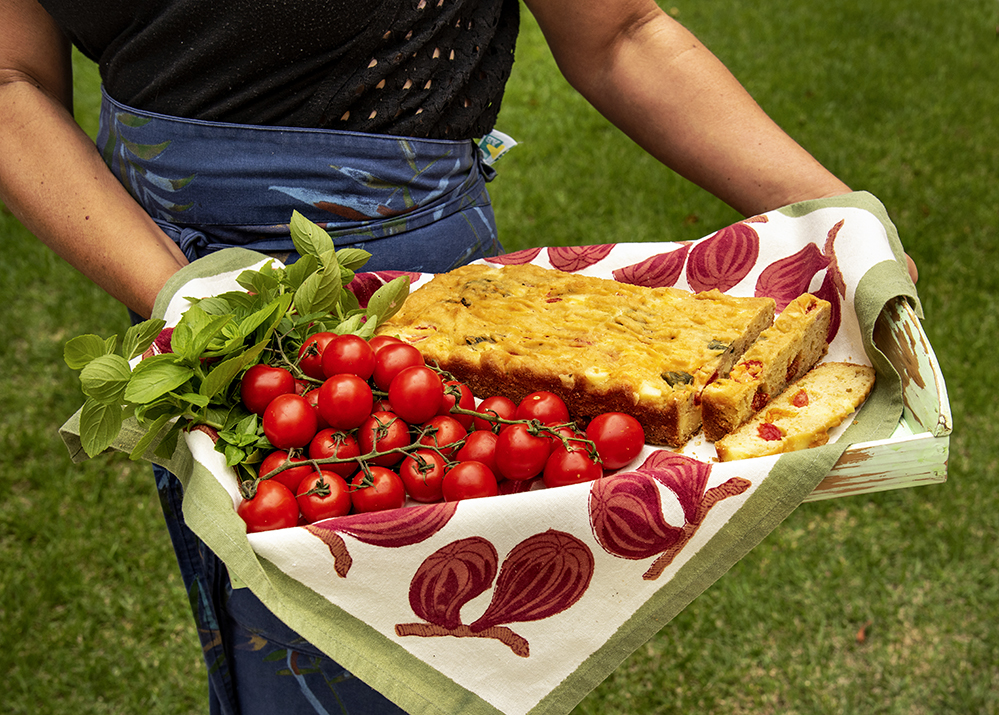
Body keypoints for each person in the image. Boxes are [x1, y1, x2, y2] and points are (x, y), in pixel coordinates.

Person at [0, 0, 916, 712]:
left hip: (419, 325)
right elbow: (12, 79)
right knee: (260, 636)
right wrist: (176, 291)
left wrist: (838, 220)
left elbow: (621, 32)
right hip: (178, 306)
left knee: (403, 660)